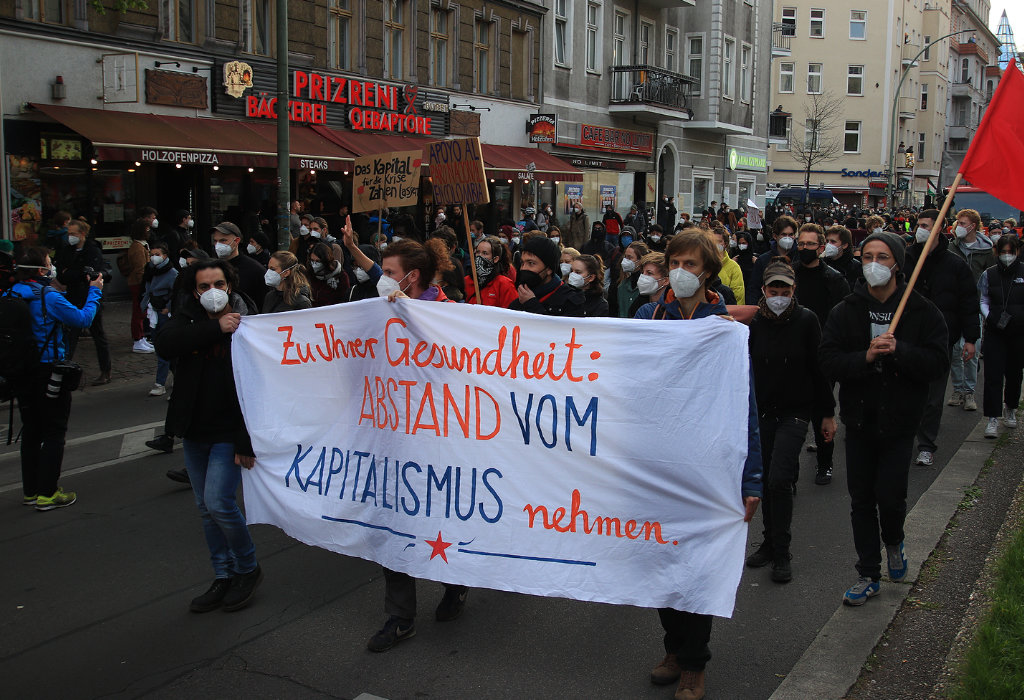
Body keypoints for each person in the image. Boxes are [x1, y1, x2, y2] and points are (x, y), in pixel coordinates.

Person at [642, 230, 762, 700]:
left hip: (709, 465)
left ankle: (694, 663)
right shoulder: (649, 316)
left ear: (708, 271)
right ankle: (673, 648)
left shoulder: (727, 329)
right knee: (661, 560)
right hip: (658, 462)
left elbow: (744, 405)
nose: (680, 272)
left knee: (698, 564)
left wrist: (750, 477)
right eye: (674, 262)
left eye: (691, 264)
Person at [819, 232, 948, 606]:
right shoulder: (847, 310)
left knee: (889, 497)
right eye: (867, 255)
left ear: (898, 264)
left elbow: (937, 363)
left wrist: (900, 350)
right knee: (861, 499)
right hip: (859, 420)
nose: (874, 263)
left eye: (883, 256)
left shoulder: (922, 311)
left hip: (900, 422)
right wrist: (866, 358)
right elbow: (828, 359)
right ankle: (868, 573)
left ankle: (894, 540)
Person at [367, 238, 465, 651]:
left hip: (440, 438)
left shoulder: (449, 312)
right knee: (395, 521)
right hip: (393, 435)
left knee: (442, 521)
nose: (381, 279)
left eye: (389, 273)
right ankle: (399, 616)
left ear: (413, 276)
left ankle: (456, 583)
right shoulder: (376, 310)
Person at [154, 259, 263, 613]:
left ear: (229, 285)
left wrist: (247, 441)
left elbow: (257, 388)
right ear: (193, 290)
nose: (212, 292)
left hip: (228, 431)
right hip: (194, 429)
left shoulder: (250, 323)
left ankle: (247, 568)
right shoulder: (187, 317)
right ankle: (223, 575)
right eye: (204, 286)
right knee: (205, 509)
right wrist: (216, 329)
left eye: (219, 283)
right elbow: (166, 344)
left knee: (219, 503)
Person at [746, 260, 835, 582]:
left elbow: (819, 368)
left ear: (794, 291)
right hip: (762, 414)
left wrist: (827, 413)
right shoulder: (754, 322)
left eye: (785, 291)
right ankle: (769, 542)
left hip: (796, 413)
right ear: (764, 291)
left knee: (780, 479)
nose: (779, 297)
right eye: (774, 291)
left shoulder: (807, 321)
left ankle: (783, 552)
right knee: (766, 480)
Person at [12, 247, 104, 510]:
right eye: (49, 263)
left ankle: (31, 491)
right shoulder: (48, 297)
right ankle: (48, 493)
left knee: (31, 430)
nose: (53, 267)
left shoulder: (12, 292)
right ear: (42, 271)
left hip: (20, 370)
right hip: (48, 370)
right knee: (54, 431)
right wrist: (94, 290)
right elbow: (82, 318)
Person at [904, 209, 979, 462]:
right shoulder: (906, 259)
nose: (920, 229)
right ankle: (902, 438)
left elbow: (968, 303)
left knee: (934, 397)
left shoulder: (955, 265)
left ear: (939, 229)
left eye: (925, 225)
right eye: (918, 224)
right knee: (905, 392)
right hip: (907, 336)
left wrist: (970, 338)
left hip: (940, 338)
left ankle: (926, 444)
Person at [792, 223, 850, 484]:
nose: (804, 249)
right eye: (801, 244)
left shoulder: (834, 279)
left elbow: (843, 317)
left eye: (810, 245)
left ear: (821, 248)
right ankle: (788, 470)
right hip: (792, 352)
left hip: (823, 354)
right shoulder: (789, 274)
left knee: (822, 412)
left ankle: (825, 464)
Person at [948, 208, 994, 411]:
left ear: (973, 226)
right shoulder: (952, 247)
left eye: (962, 222)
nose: (958, 226)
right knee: (956, 350)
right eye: (957, 222)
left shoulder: (986, 251)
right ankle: (957, 389)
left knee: (971, 350)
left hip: (974, 305)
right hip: (953, 305)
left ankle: (969, 392)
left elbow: (991, 278)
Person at [56, 219, 112, 385]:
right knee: (70, 335)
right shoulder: (67, 250)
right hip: (72, 297)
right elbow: (62, 275)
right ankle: (64, 369)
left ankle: (105, 370)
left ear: (82, 234)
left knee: (98, 334)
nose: (70, 236)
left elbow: (91, 273)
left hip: (90, 297)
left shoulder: (92, 250)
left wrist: (74, 273)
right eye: (68, 233)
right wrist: (76, 274)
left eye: (73, 233)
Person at [979, 235, 1024, 439]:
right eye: (1003, 252)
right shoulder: (988, 274)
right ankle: (992, 418)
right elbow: (983, 298)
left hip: (1019, 332)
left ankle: (1011, 407)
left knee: (1015, 373)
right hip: (995, 331)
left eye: (1011, 252)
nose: (1007, 256)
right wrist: (990, 317)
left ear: (1017, 252)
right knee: (993, 375)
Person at [507, 236, 586, 317]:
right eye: (522, 263)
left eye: (531, 263)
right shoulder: (520, 299)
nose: (524, 268)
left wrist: (532, 305)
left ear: (549, 269)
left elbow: (562, 329)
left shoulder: (571, 301)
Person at [141, 243, 178, 397]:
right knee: (160, 346)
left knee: (164, 348)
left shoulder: (172, 273)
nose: (153, 257)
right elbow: (147, 290)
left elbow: (176, 292)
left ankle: (160, 382)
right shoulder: (151, 271)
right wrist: (144, 306)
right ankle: (176, 375)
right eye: (152, 254)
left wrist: (168, 308)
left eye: (157, 254)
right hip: (153, 311)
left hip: (164, 313)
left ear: (165, 255)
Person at [211, 222, 265, 311]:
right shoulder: (210, 268)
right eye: (215, 241)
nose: (218, 245)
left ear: (236, 241)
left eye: (223, 240)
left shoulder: (255, 270)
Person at [751, 215, 799, 301]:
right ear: (775, 236)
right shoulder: (763, 260)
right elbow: (754, 289)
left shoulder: (799, 258)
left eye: (791, 234)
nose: (787, 238)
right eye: (784, 234)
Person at [124, 218, 154, 353]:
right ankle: (137, 339)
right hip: (138, 283)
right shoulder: (137, 247)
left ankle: (141, 337)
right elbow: (140, 269)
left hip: (141, 282)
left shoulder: (142, 245)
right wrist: (145, 285)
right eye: (147, 228)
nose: (149, 231)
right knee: (138, 311)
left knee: (142, 312)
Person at [466, 235, 517, 307]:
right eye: (477, 252)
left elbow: (512, 313)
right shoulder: (467, 281)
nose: (479, 256)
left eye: (485, 253)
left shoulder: (504, 284)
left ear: (495, 259)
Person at [613, 241, 650, 318]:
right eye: (625, 257)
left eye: (630, 257)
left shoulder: (647, 285)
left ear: (641, 260)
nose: (625, 261)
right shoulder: (622, 285)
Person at [709, 227, 745, 304]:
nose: (715, 245)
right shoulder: (704, 265)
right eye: (712, 242)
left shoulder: (734, 267)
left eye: (718, 241)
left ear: (725, 244)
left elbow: (738, 295)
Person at [308, 242, 350, 307]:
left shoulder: (341, 277)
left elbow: (344, 300)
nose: (314, 264)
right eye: (312, 260)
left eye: (318, 261)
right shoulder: (310, 274)